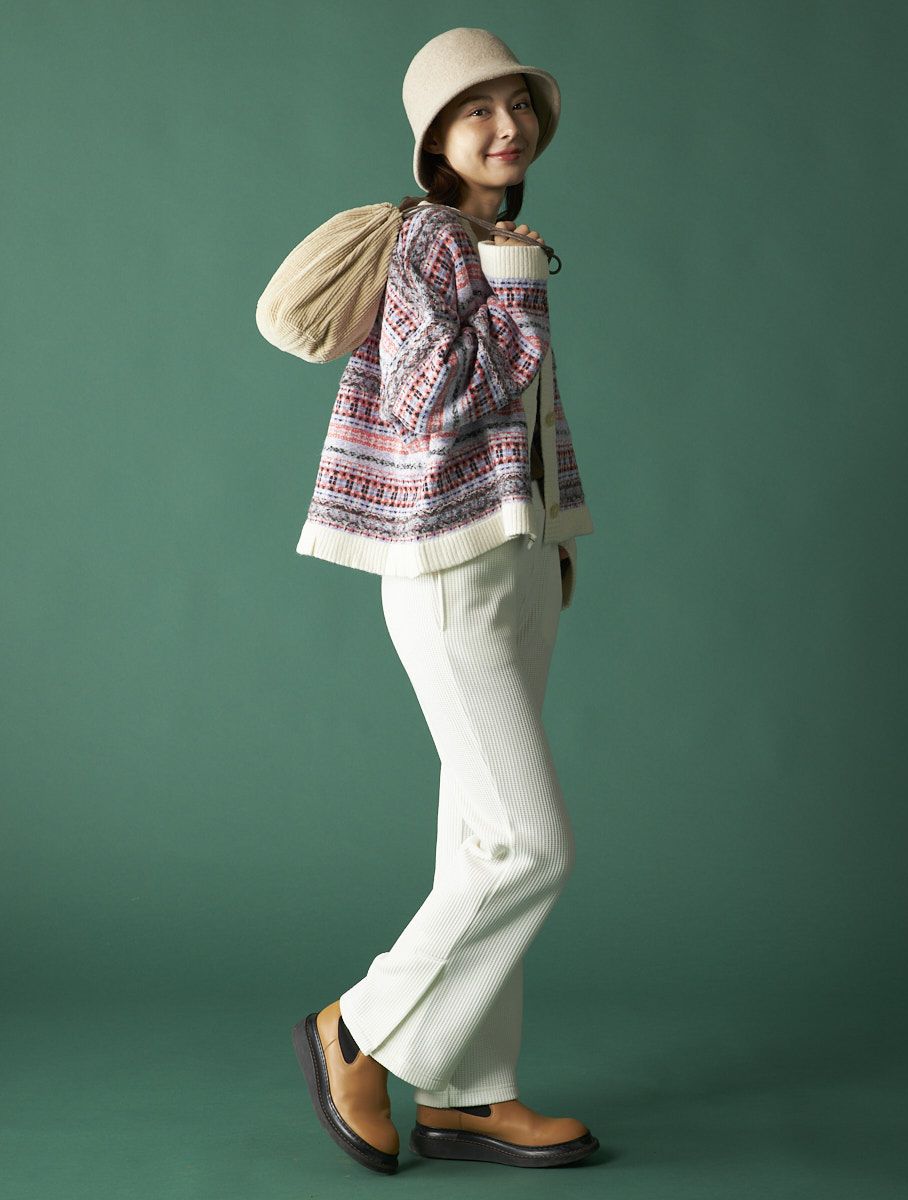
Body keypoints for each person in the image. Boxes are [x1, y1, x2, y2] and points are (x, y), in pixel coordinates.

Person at [288, 28, 598, 1172]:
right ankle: (356, 1030)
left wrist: (552, 534)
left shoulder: (498, 239)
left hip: (516, 563)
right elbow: (433, 403)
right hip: (449, 572)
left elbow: (528, 418)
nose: (506, 127)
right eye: (477, 111)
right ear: (433, 138)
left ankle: (468, 1093)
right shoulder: (428, 241)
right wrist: (516, 289)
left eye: (516, 105)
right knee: (530, 847)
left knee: (478, 840)